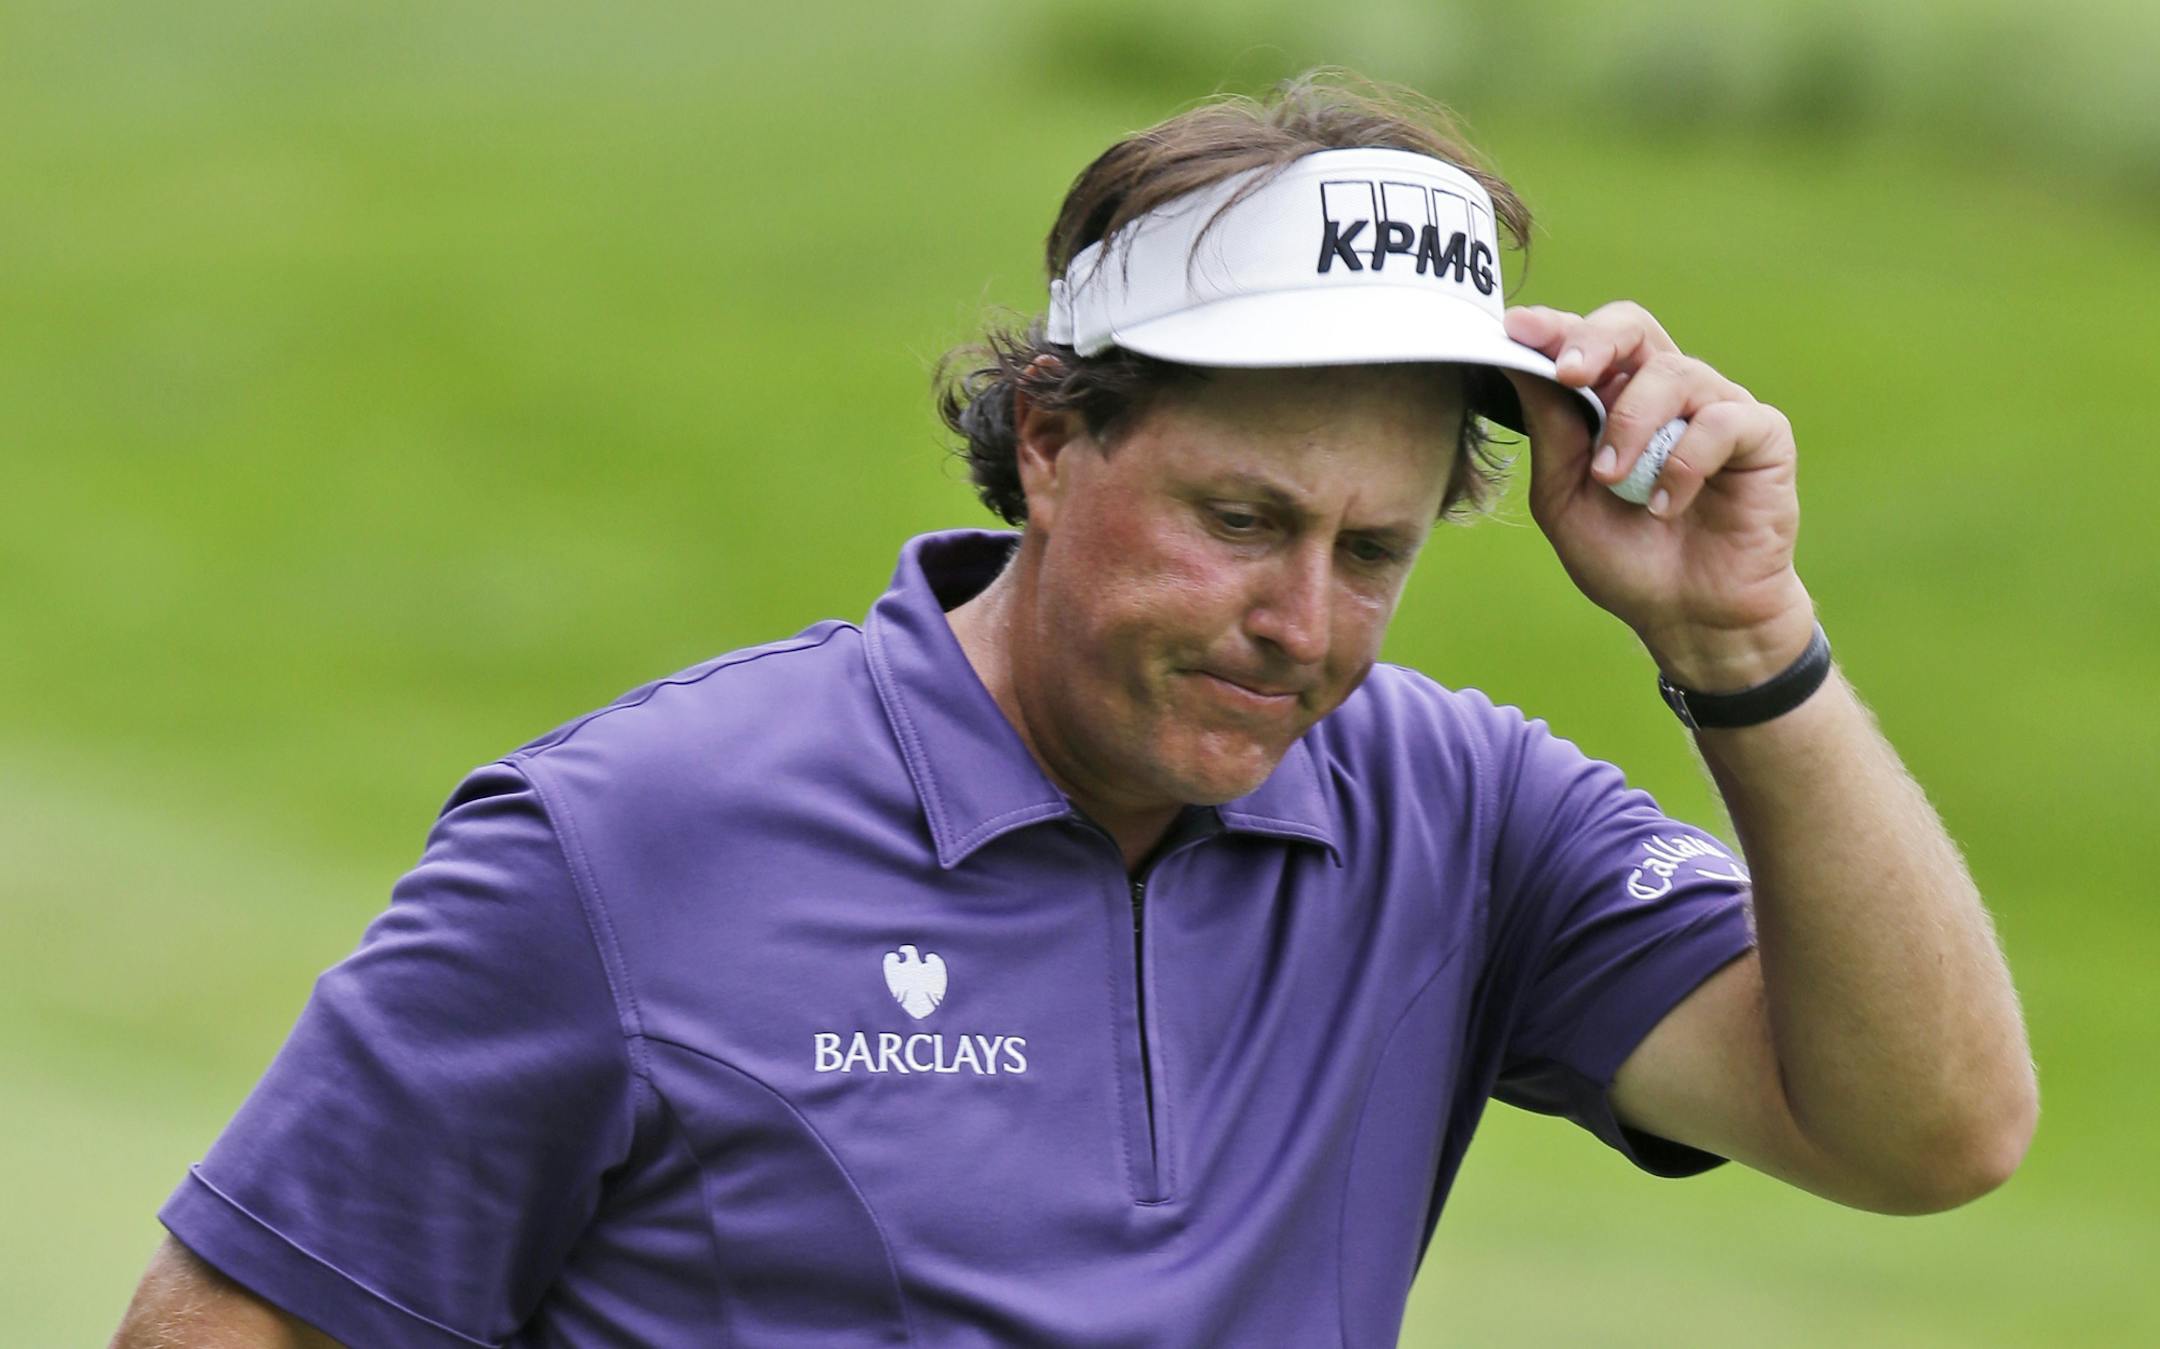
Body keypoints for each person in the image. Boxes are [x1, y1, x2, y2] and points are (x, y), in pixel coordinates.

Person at [112, 71, 2036, 1348]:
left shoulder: (1461, 816)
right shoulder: (625, 838)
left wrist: (1742, 638)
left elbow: (1929, 1132)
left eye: (1372, 548)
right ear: (1049, 439)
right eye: (1238, 519)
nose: (1297, 621)